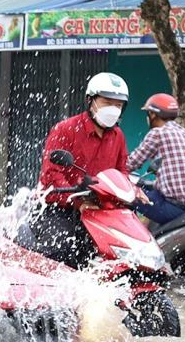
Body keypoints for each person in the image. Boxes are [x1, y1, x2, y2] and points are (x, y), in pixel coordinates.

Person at [24, 72, 131, 268]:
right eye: (107, 101)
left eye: (118, 105)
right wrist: (79, 201)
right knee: (63, 249)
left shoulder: (118, 136)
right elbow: (51, 175)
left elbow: (122, 172)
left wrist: (130, 191)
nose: (112, 109)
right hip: (58, 207)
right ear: (90, 100)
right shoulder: (65, 129)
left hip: (99, 209)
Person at [129, 93, 185, 225]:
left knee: (127, 196)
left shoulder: (158, 133)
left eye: (148, 114)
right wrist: (152, 184)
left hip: (173, 207)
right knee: (151, 194)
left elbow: (131, 163)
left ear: (152, 115)